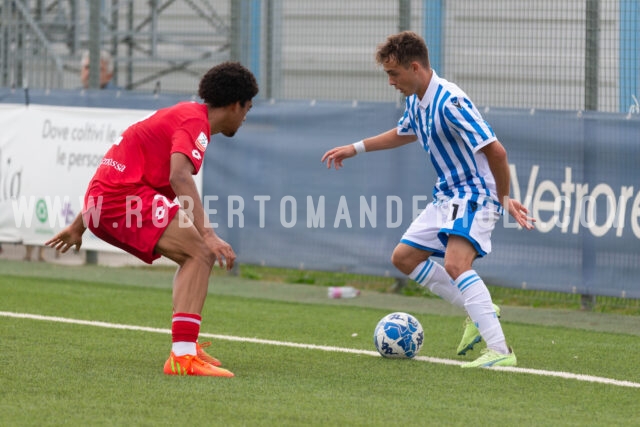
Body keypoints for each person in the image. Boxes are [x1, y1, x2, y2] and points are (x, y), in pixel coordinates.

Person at [321, 31, 535, 368]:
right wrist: (355, 148)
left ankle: (501, 352)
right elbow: (403, 132)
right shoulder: (415, 100)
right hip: (447, 195)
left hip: (475, 193)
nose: (391, 81)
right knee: (404, 257)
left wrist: (504, 197)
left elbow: (496, 149)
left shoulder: (450, 101)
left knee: (455, 264)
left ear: (416, 67)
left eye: (394, 73)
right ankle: (478, 310)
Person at [46, 61, 259, 377]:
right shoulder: (194, 124)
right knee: (201, 250)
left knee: (194, 254)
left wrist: (80, 224)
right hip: (121, 200)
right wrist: (210, 233)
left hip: (106, 201)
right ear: (233, 104)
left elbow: (117, 168)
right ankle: (182, 355)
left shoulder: (187, 115)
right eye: (247, 109)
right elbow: (179, 176)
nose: (245, 117)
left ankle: (186, 345)